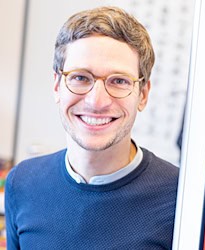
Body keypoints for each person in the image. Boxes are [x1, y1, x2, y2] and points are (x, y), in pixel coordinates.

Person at [5, 6, 179, 249]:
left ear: (143, 95)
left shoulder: (180, 199)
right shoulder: (21, 183)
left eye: (119, 81)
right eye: (80, 77)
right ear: (57, 86)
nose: (96, 101)